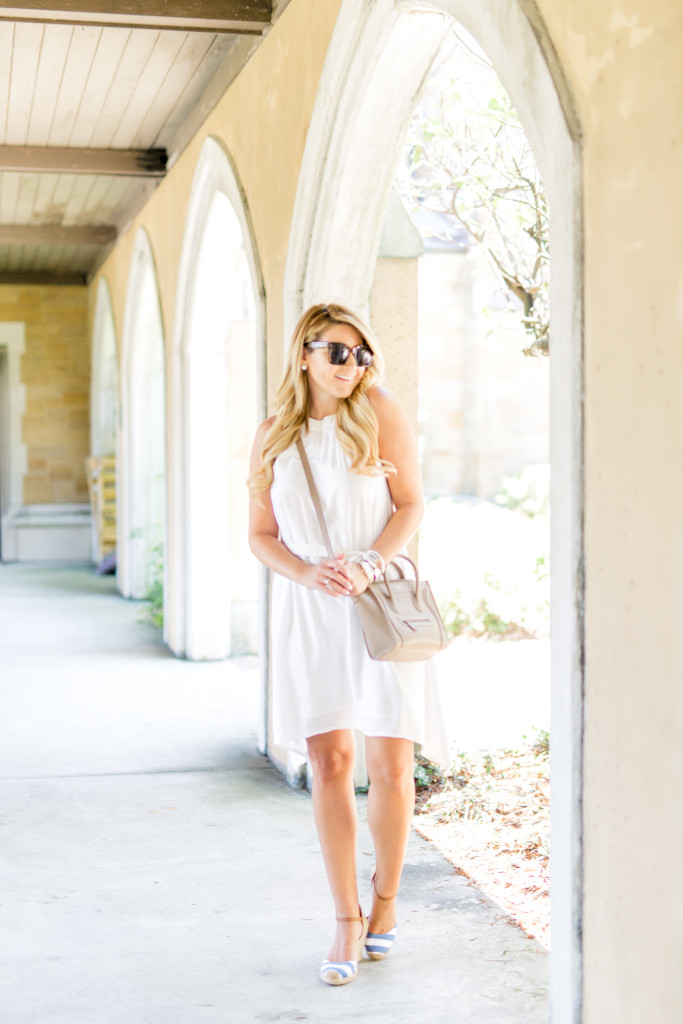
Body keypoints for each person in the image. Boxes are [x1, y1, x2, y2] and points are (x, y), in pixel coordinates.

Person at [248, 303, 449, 986]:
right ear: (303, 353)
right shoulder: (273, 435)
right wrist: (305, 571)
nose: (352, 366)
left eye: (362, 355)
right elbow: (260, 534)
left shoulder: (381, 411)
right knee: (328, 764)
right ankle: (344, 919)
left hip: (378, 604)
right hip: (309, 613)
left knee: (391, 766)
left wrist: (366, 561)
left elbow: (412, 504)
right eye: (338, 352)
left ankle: (385, 902)